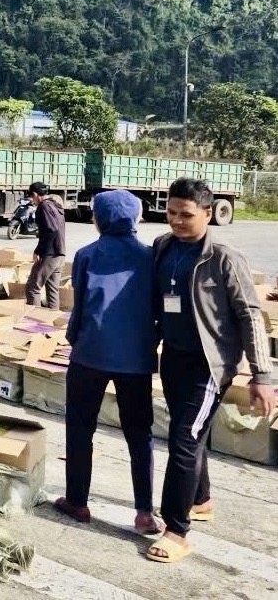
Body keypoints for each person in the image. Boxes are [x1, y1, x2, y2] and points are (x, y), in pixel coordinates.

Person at [147, 178, 276, 563]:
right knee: (191, 433)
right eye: (171, 213)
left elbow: (250, 315)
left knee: (184, 438)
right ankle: (200, 500)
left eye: (186, 215)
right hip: (173, 357)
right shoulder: (162, 247)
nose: (177, 221)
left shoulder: (223, 257)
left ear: (208, 213)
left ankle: (176, 530)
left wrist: (261, 376)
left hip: (210, 364)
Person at [54, 190, 162, 535]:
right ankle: (144, 511)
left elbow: (80, 309)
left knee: (81, 427)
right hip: (137, 358)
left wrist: (75, 341)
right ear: (136, 218)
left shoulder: (87, 255)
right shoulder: (150, 257)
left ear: (98, 218)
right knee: (139, 433)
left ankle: (77, 501)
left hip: (91, 354)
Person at [25, 181, 66, 310]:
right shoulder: (55, 205)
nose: (33, 200)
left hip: (50, 254)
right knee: (52, 291)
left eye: (32, 197)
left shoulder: (44, 207)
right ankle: (52, 324)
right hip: (60, 254)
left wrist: (39, 251)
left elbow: (51, 229)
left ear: (36, 195)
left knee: (33, 288)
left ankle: (33, 322)